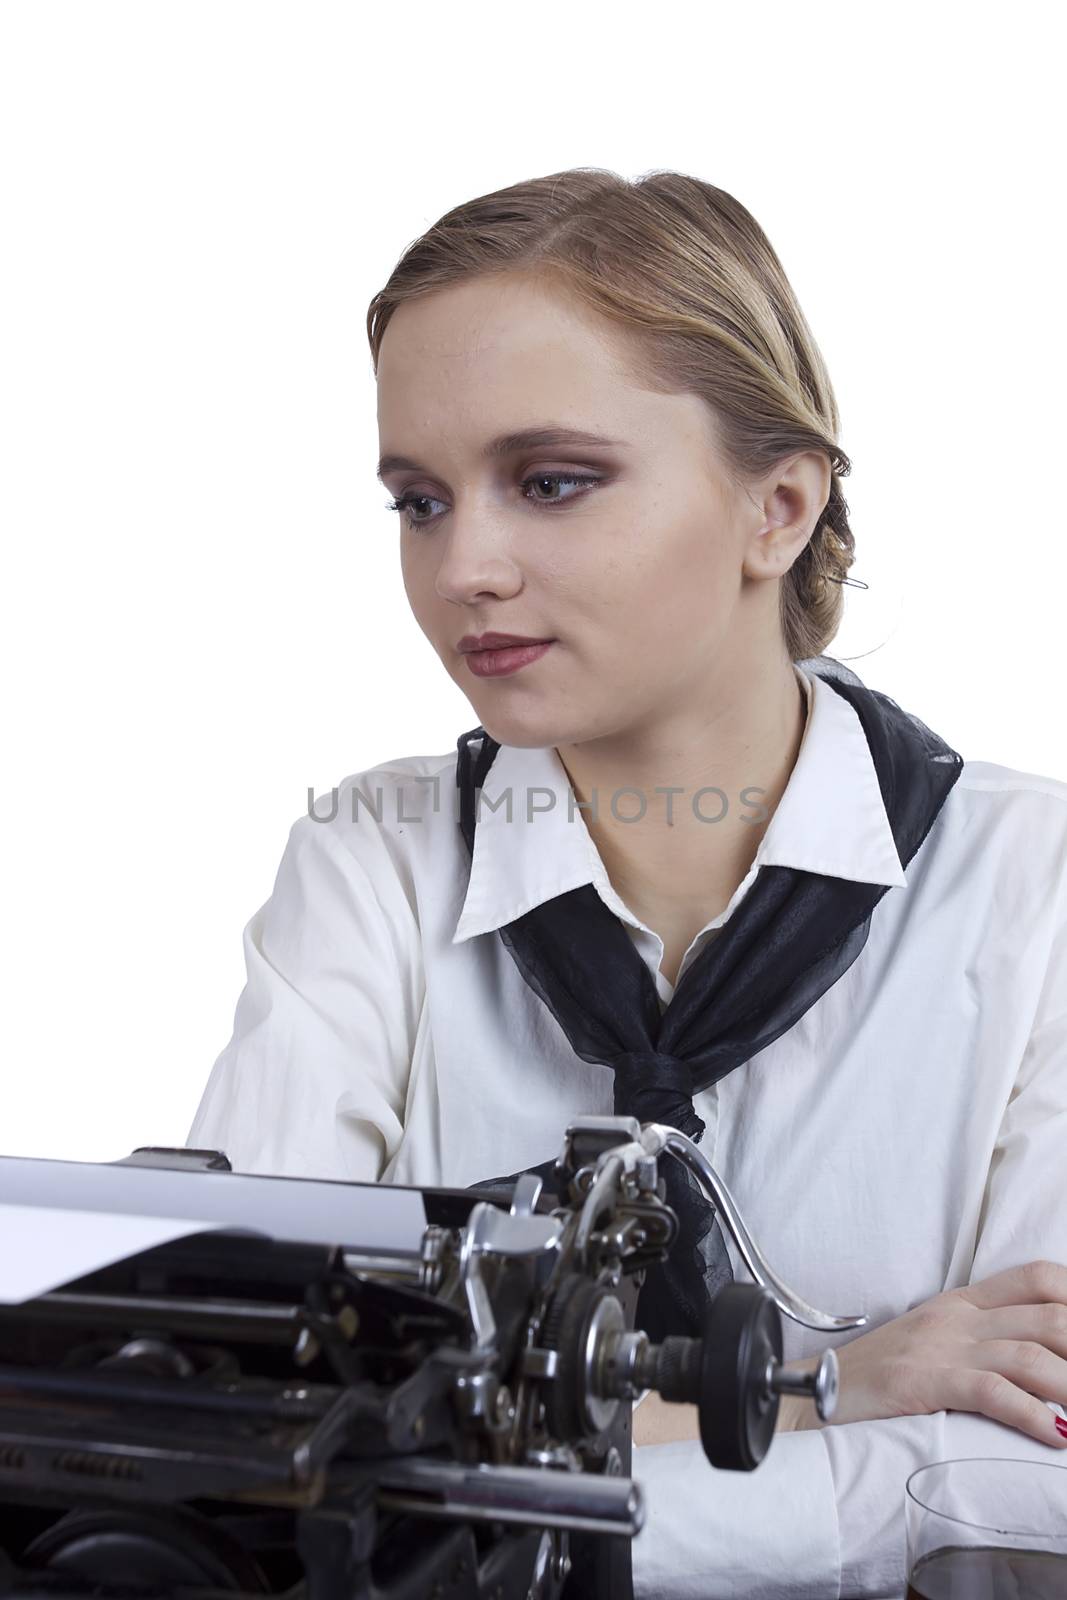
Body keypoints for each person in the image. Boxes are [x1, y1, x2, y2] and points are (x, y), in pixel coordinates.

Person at [187, 167, 1067, 1598]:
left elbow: (1023, 1489)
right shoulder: (370, 858)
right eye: (419, 500)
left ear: (776, 507)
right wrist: (834, 1388)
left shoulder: (1040, 888)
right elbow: (250, 1428)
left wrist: (450, 1496)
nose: (463, 566)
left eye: (551, 482)